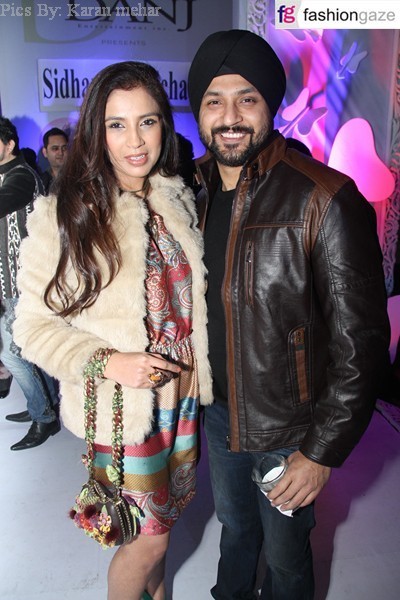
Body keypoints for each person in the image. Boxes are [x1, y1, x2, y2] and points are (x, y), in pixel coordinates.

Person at [187, 29, 390, 600]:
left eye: (246, 99)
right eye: (214, 100)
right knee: (234, 529)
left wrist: (320, 452)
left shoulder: (323, 197)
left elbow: (362, 343)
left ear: (271, 105)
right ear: (198, 110)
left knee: (286, 558)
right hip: (220, 414)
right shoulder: (189, 193)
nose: (230, 117)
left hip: (289, 429)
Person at [13, 61, 212, 600]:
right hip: (123, 404)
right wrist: (107, 361)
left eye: (147, 122)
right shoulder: (66, 213)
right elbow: (31, 326)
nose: (135, 141)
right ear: (95, 132)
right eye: (117, 125)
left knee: (163, 530)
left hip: (181, 395)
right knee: (144, 542)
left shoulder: (175, 196)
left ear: (164, 124)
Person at [0, 116, 60, 450]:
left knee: (11, 354)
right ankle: (44, 403)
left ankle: (44, 416)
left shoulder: (21, 176)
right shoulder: (7, 174)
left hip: (23, 283)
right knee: (28, 350)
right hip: (9, 282)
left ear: (9, 144)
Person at [40, 127, 69, 194]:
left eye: (64, 148)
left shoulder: (79, 178)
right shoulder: (41, 183)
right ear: (45, 152)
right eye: (55, 148)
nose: (61, 153)